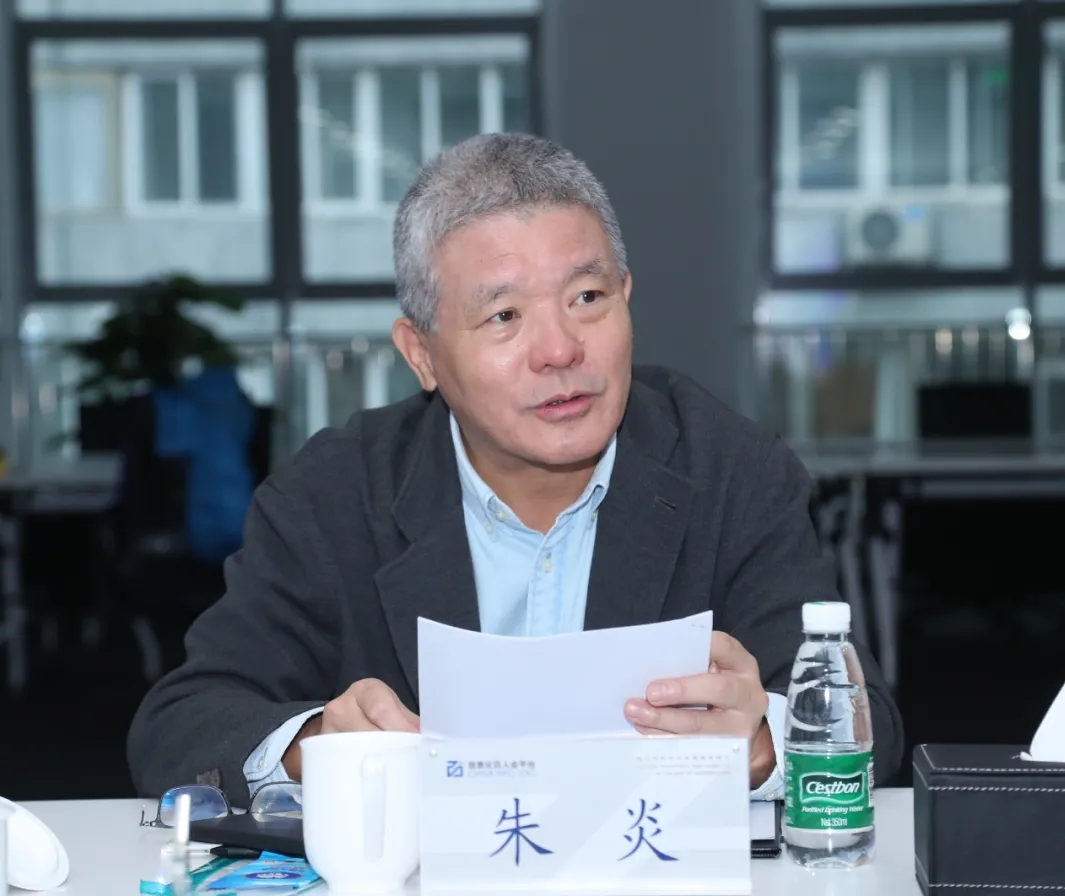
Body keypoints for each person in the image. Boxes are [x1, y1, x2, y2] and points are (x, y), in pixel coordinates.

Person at [128, 133, 903, 805]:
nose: (560, 349)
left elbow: (871, 721)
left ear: (628, 298)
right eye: (504, 316)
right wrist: (314, 746)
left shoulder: (729, 469)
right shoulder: (334, 493)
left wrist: (765, 743)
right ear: (421, 354)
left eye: (588, 297)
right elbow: (180, 726)